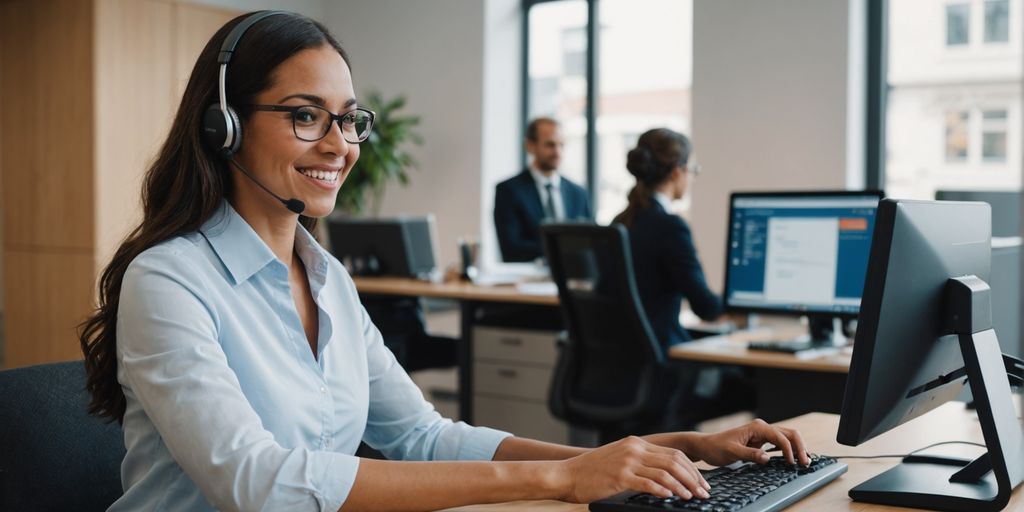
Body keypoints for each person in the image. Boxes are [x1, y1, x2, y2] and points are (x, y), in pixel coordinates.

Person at [78, 12, 809, 512]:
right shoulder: (170, 280)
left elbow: (423, 438)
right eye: (306, 115)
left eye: (349, 119)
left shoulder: (327, 280)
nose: (340, 144)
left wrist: (649, 451)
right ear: (224, 123)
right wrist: (560, 476)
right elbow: (255, 482)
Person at [613, 128, 723, 350]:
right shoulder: (671, 227)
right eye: (693, 170)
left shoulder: (621, 221)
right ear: (676, 172)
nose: (693, 178)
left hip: (621, 353)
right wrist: (738, 304)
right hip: (659, 353)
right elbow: (705, 308)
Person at [493, 118, 592, 262]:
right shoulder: (509, 191)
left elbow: (590, 240)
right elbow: (511, 248)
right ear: (530, 145)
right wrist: (564, 248)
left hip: (575, 276)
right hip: (528, 277)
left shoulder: (578, 193)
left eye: (561, 145)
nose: (557, 152)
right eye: (550, 145)